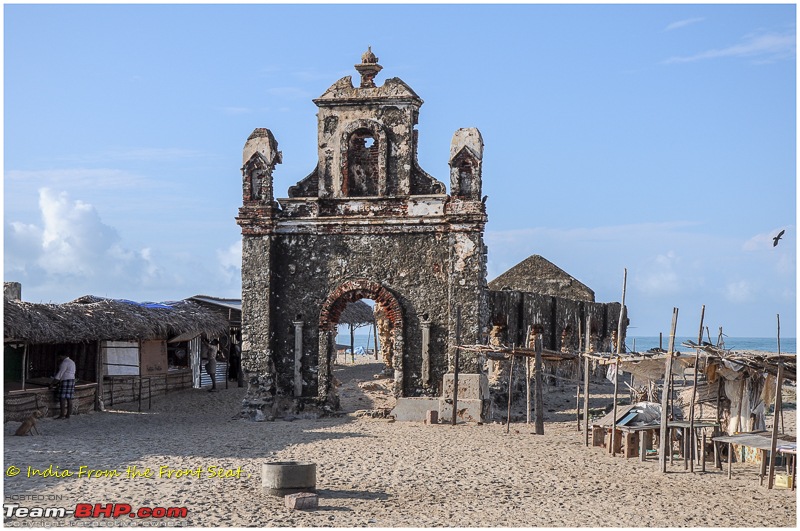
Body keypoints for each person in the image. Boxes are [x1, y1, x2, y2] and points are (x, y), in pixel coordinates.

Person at [50, 353, 76, 419]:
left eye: (59, 357)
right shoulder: (72, 362)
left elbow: (60, 374)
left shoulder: (65, 362)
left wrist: (52, 383)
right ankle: (68, 415)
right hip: (72, 380)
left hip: (65, 380)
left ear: (61, 355)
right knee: (69, 398)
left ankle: (62, 415)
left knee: (62, 398)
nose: (58, 359)